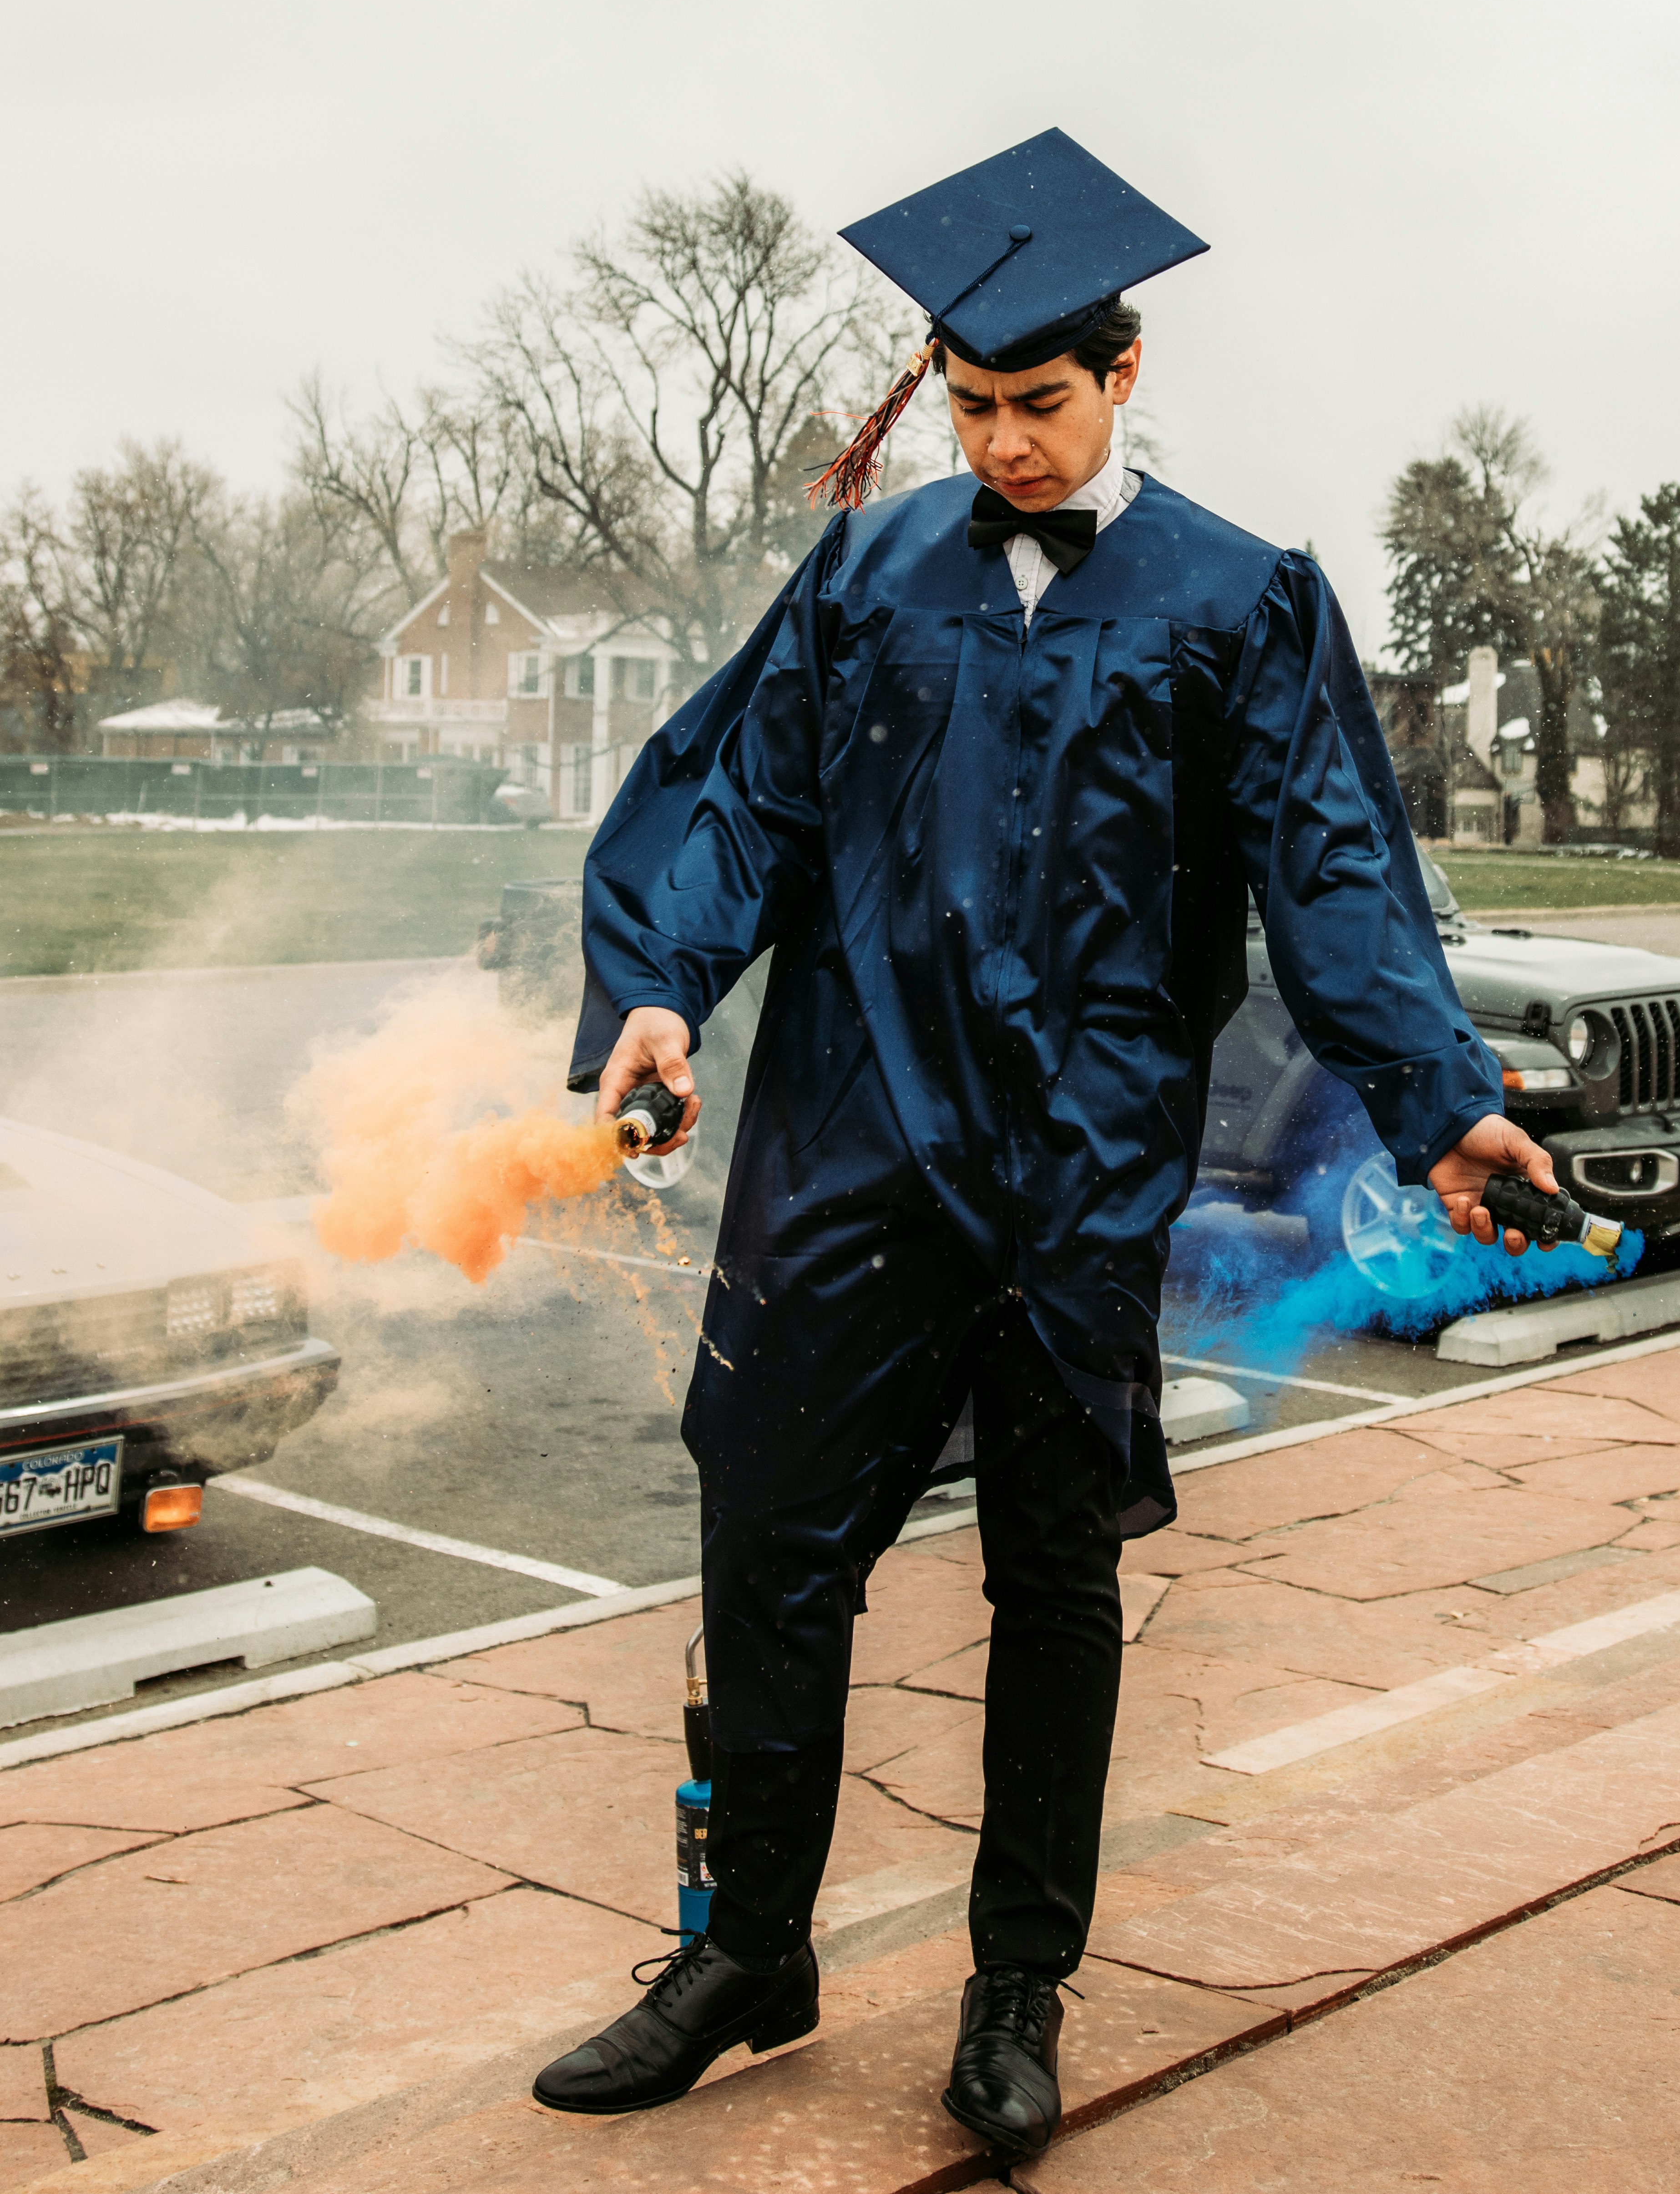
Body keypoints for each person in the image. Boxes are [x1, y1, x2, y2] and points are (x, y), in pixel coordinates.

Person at [531, 127, 1557, 2159]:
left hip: (1075, 1171)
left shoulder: (1239, 598)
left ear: (1125, 372)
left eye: (1039, 403)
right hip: (847, 1145)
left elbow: (1331, 869)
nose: (1000, 442)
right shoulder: (865, 570)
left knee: (1052, 1573)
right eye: (974, 404)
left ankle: (1018, 1984)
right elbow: (738, 802)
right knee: (769, 1546)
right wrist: (661, 983)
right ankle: (748, 1945)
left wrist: (1444, 1102)